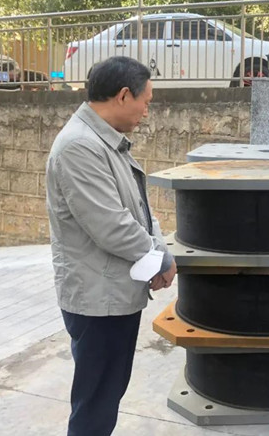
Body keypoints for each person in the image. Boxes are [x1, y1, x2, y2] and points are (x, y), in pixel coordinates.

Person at [46, 56, 177, 436]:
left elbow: (138, 210)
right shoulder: (79, 146)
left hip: (113, 291)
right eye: (145, 102)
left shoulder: (104, 142)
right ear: (123, 96)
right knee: (96, 401)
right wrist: (160, 259)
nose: (146, 111)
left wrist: (159, 252)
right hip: (97, 298)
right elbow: (111, 225)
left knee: (106, 393)